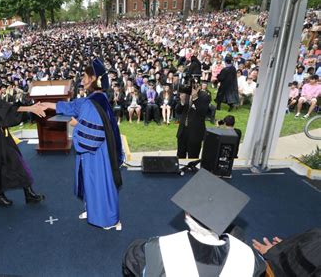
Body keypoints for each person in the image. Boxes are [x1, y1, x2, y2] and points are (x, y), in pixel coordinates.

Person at [122, 169, 266, 277]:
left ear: (187, 214)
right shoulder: (250, 258)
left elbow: (130, 266)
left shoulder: (157, 250)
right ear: (225, 217)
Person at [41, 58, 124, 231]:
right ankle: (92, 209)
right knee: (90, 182)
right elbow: (73, 106)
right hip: (98, 150)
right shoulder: (96, 98)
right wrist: (48, 105)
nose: (83, 80)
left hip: (97, 154)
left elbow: (91, 134)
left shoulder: (92, 103)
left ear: (94, 79)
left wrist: (76, 125)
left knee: (99, 183)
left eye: (86, 76)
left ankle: (108, 219)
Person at [0, 51, 46, 207]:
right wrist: (28, 109)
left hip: (0, 131)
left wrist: (28, 108)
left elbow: (1, 109)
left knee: (16, 160)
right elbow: (1, 108)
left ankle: (28, 192)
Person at [175, 79, 211, 159]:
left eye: (194, 86)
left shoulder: (204, 96)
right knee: (180, 156)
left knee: (193, 156)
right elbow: (178, 111)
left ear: (198, 86)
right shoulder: (186, 94)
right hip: (183, 131)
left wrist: (195, 98)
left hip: (195, 132)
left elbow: (203, 112)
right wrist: (182, 102)